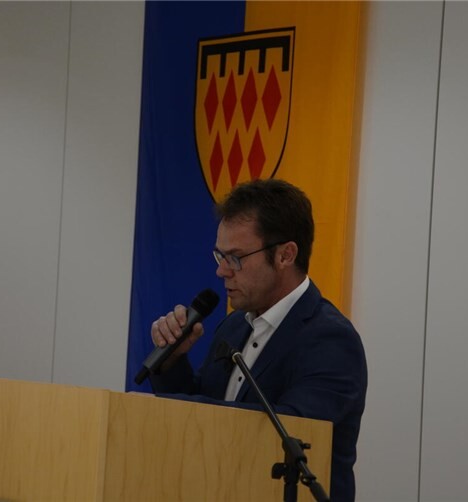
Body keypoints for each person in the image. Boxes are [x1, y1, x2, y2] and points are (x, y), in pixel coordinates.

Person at [149, 178, 367, 502]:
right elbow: (199, 422)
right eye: (220, 256)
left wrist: (174, 406)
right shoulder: (234, 326)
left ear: (285, 255)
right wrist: (172, 360)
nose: (222, 271)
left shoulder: (331, 339)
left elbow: (288, 432)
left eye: (235, 258)